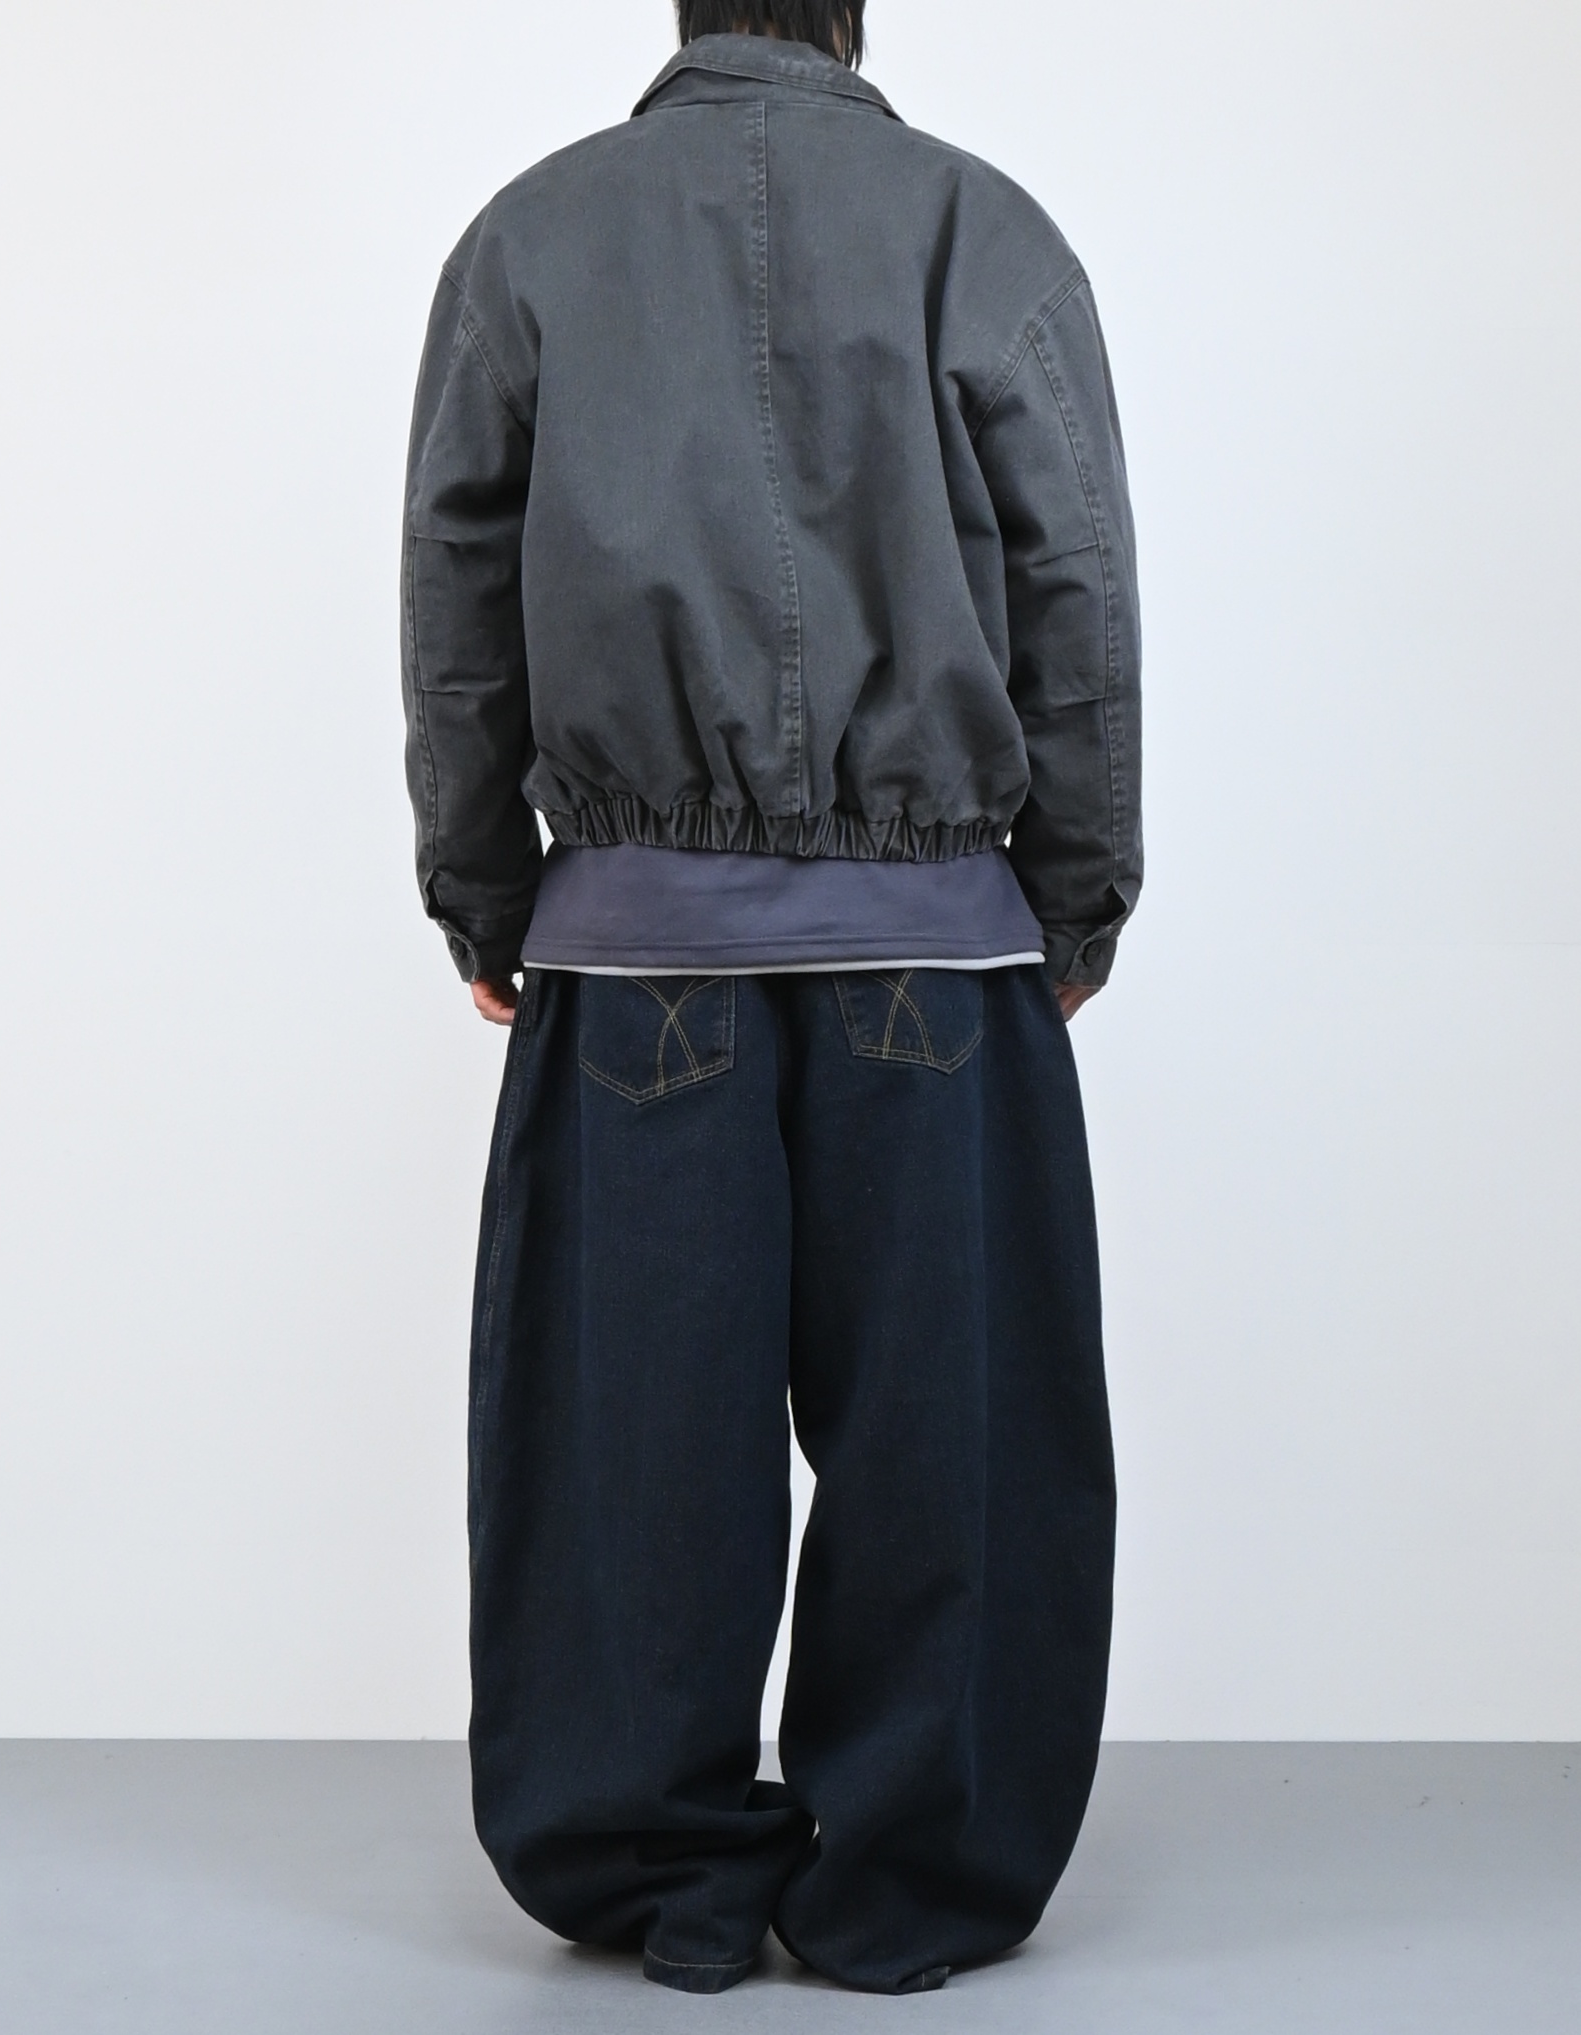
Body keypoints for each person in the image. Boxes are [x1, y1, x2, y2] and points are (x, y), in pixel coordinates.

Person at [400, 0, 1141, 1997]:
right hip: (939, 955)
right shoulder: (980, 227)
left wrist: (487, 894)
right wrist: (1072, 900)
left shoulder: (531, 237)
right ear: (851, 12)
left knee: (628, 1441)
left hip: (635, 954)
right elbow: (1074, 588)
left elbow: (457, 602)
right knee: (950, 1446)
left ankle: (657, 1872)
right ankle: (911, 1877)